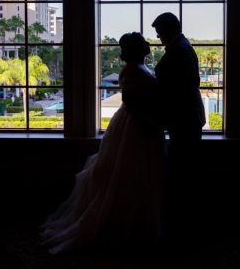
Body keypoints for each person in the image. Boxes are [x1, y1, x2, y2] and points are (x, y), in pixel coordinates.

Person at [40, 32, 167, 256]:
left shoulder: (139, 67)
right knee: (129, 173)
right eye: (143, 42)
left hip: (140, 123)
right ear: (137, 48)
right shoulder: (131, 70)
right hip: (134, 127)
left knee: (140, 174)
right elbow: (131, 102)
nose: (149, 43)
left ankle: (140, 223)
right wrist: (147, 124)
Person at [151, 12, 206, 242]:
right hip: (187, 116)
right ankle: (187, 222)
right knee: (185, 167)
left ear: (168, 29)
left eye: (159, 32)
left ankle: (185, 225)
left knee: (183, 169)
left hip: (183, 118)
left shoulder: (178, 50)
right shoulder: (183, 46)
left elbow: (173, 89)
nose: (158, 36)